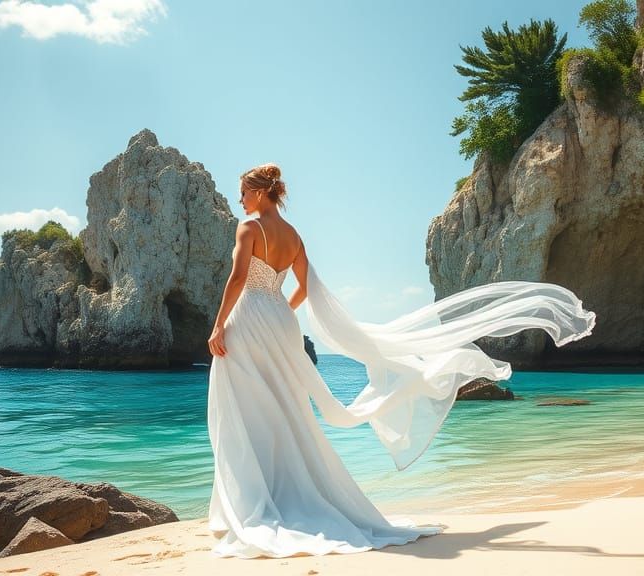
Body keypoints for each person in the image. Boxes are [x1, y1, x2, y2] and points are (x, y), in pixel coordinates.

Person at [205, 163, 597, 559]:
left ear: (258, 193)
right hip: (280, 323)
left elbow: (237, 279)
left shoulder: (248, 228)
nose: (240, 200)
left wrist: (219, 326)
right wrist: (279, 312)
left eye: (242, 193)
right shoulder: (294, 236)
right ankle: (282, 492)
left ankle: (252, 499)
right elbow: (305, 288)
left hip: (250, 318)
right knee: (285, 409)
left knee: (244, 406)